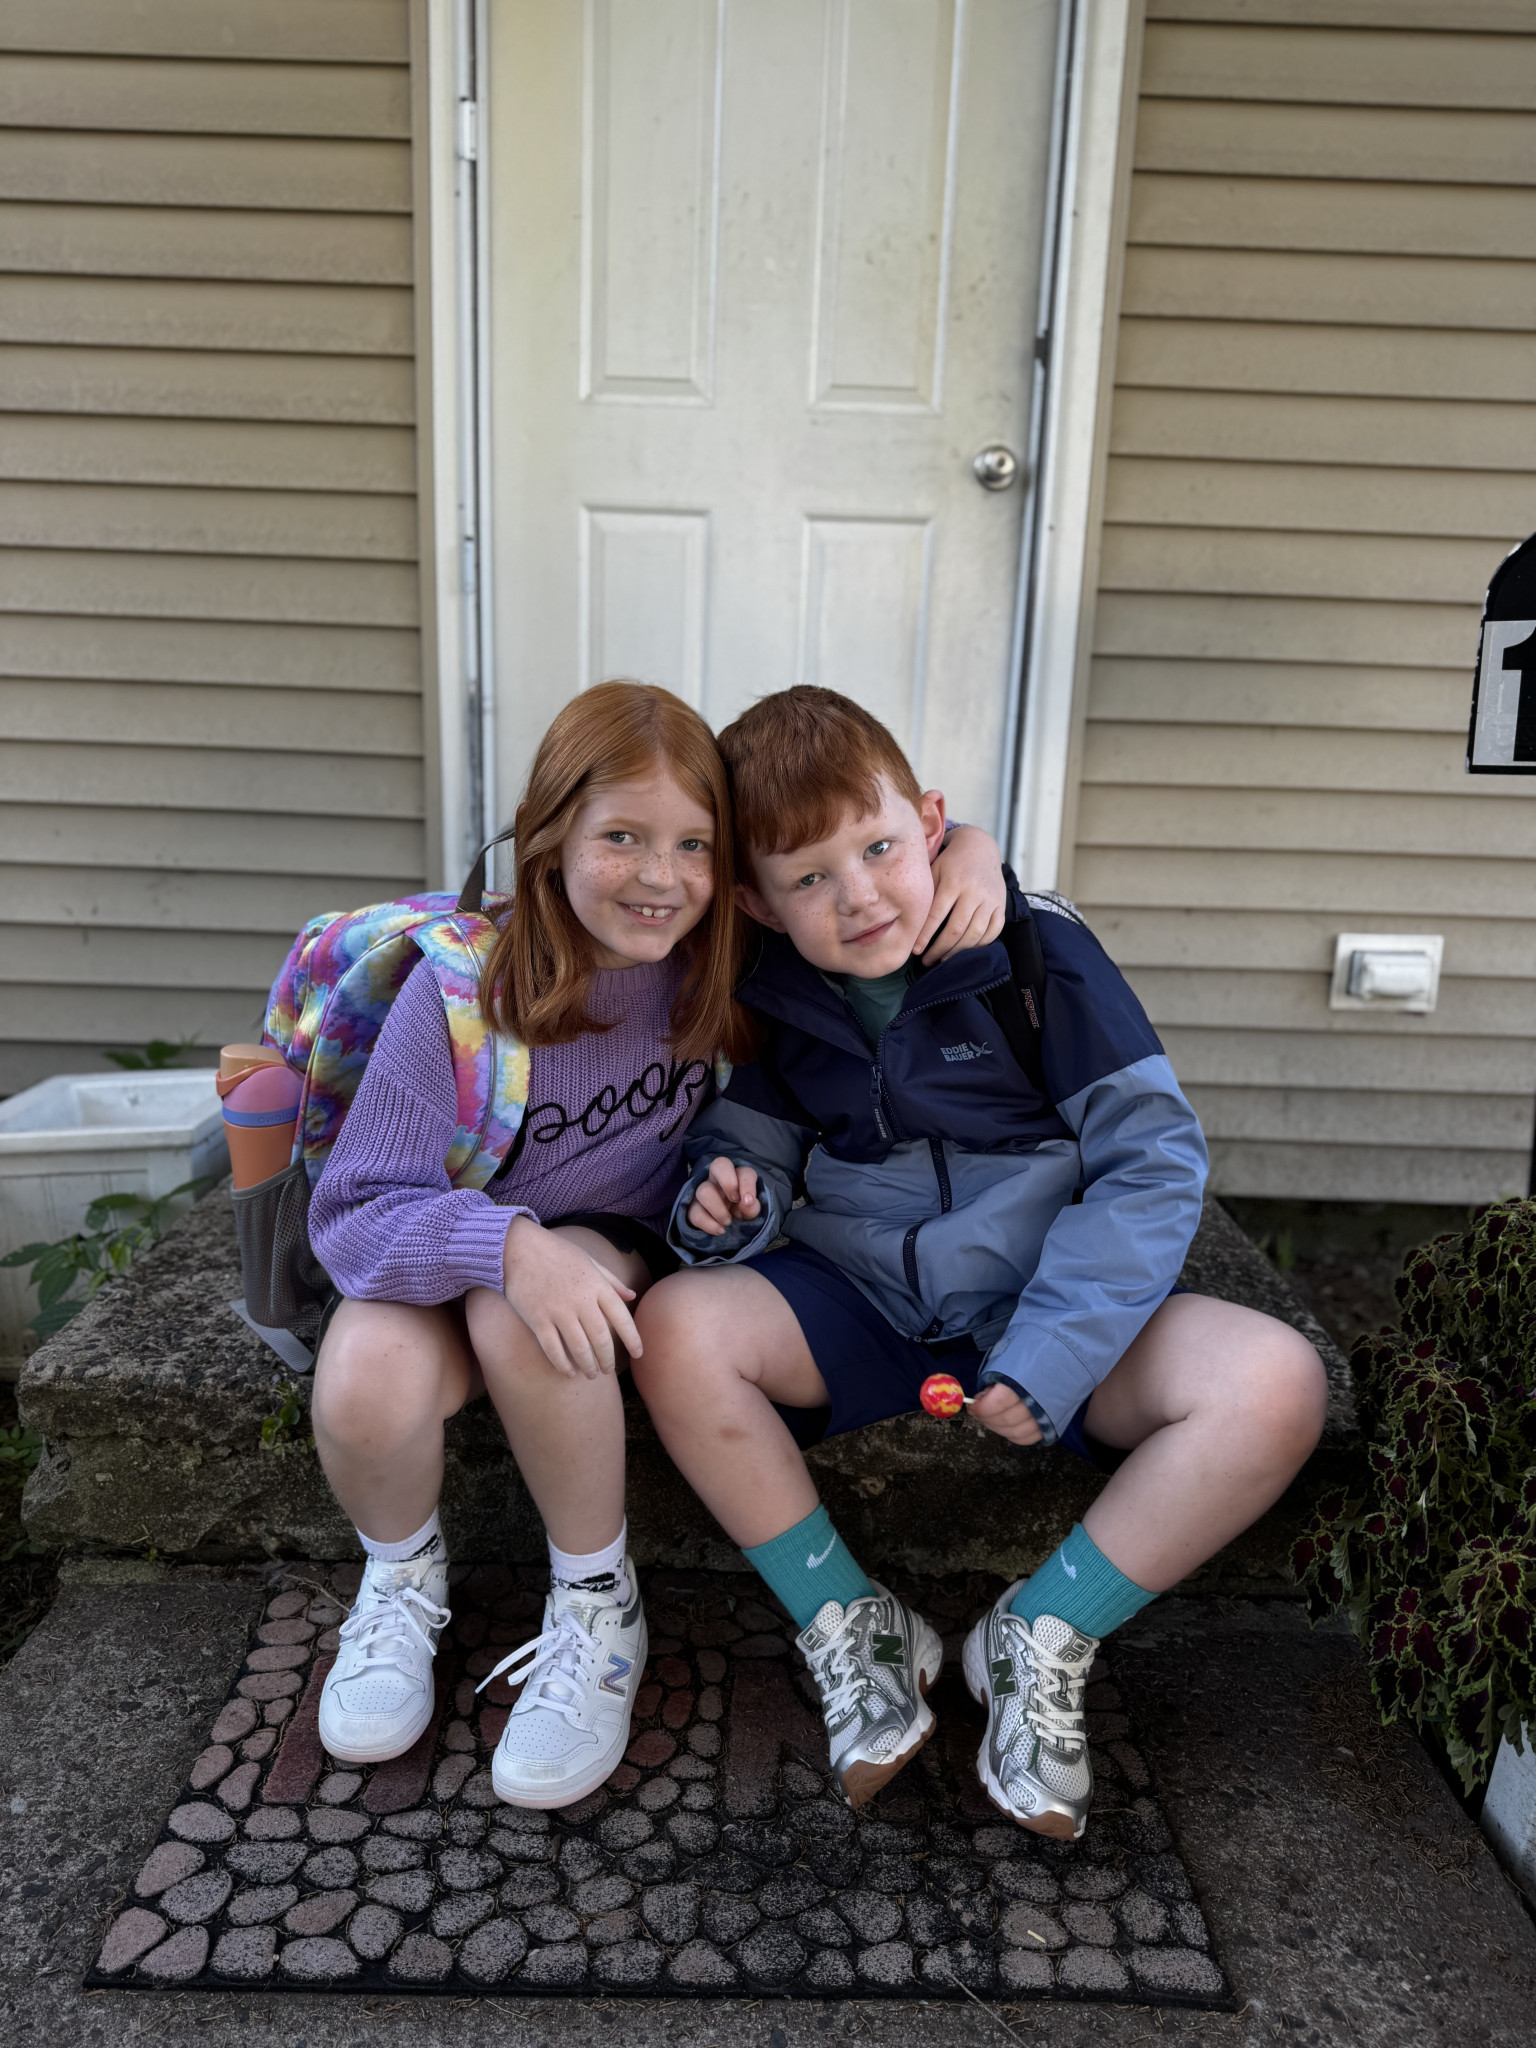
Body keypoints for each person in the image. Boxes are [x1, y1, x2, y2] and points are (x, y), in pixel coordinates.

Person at [632, 686, 1328, 1837]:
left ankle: (1041, 1630)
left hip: (1046, 1300)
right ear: (756, 900)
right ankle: (851, 1620)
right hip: (865, 1300)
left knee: (1275, 1380)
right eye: (810, 876)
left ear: (931, 823)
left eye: (879, 848)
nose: (860, 895)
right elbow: (748, 1142)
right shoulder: (774, 988)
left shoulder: (1036, 950)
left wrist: (1055, 1349)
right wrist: (723, 1198)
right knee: (674, 1325)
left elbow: (1152, 1162)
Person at [304, 680, 1008, 1809]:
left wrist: (972, 848)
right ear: (547, 836)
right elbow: (353, 1212)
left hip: (607, 1242)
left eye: (693, 845)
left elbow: (851, 853)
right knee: (363, 1373)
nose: (660, 876)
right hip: (444, 1236)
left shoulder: (722, 956)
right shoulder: (461, 995)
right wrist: (505, 1244)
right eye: (621, 838)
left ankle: (597, 1603)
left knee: (535, 1312)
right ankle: (398, 1579)